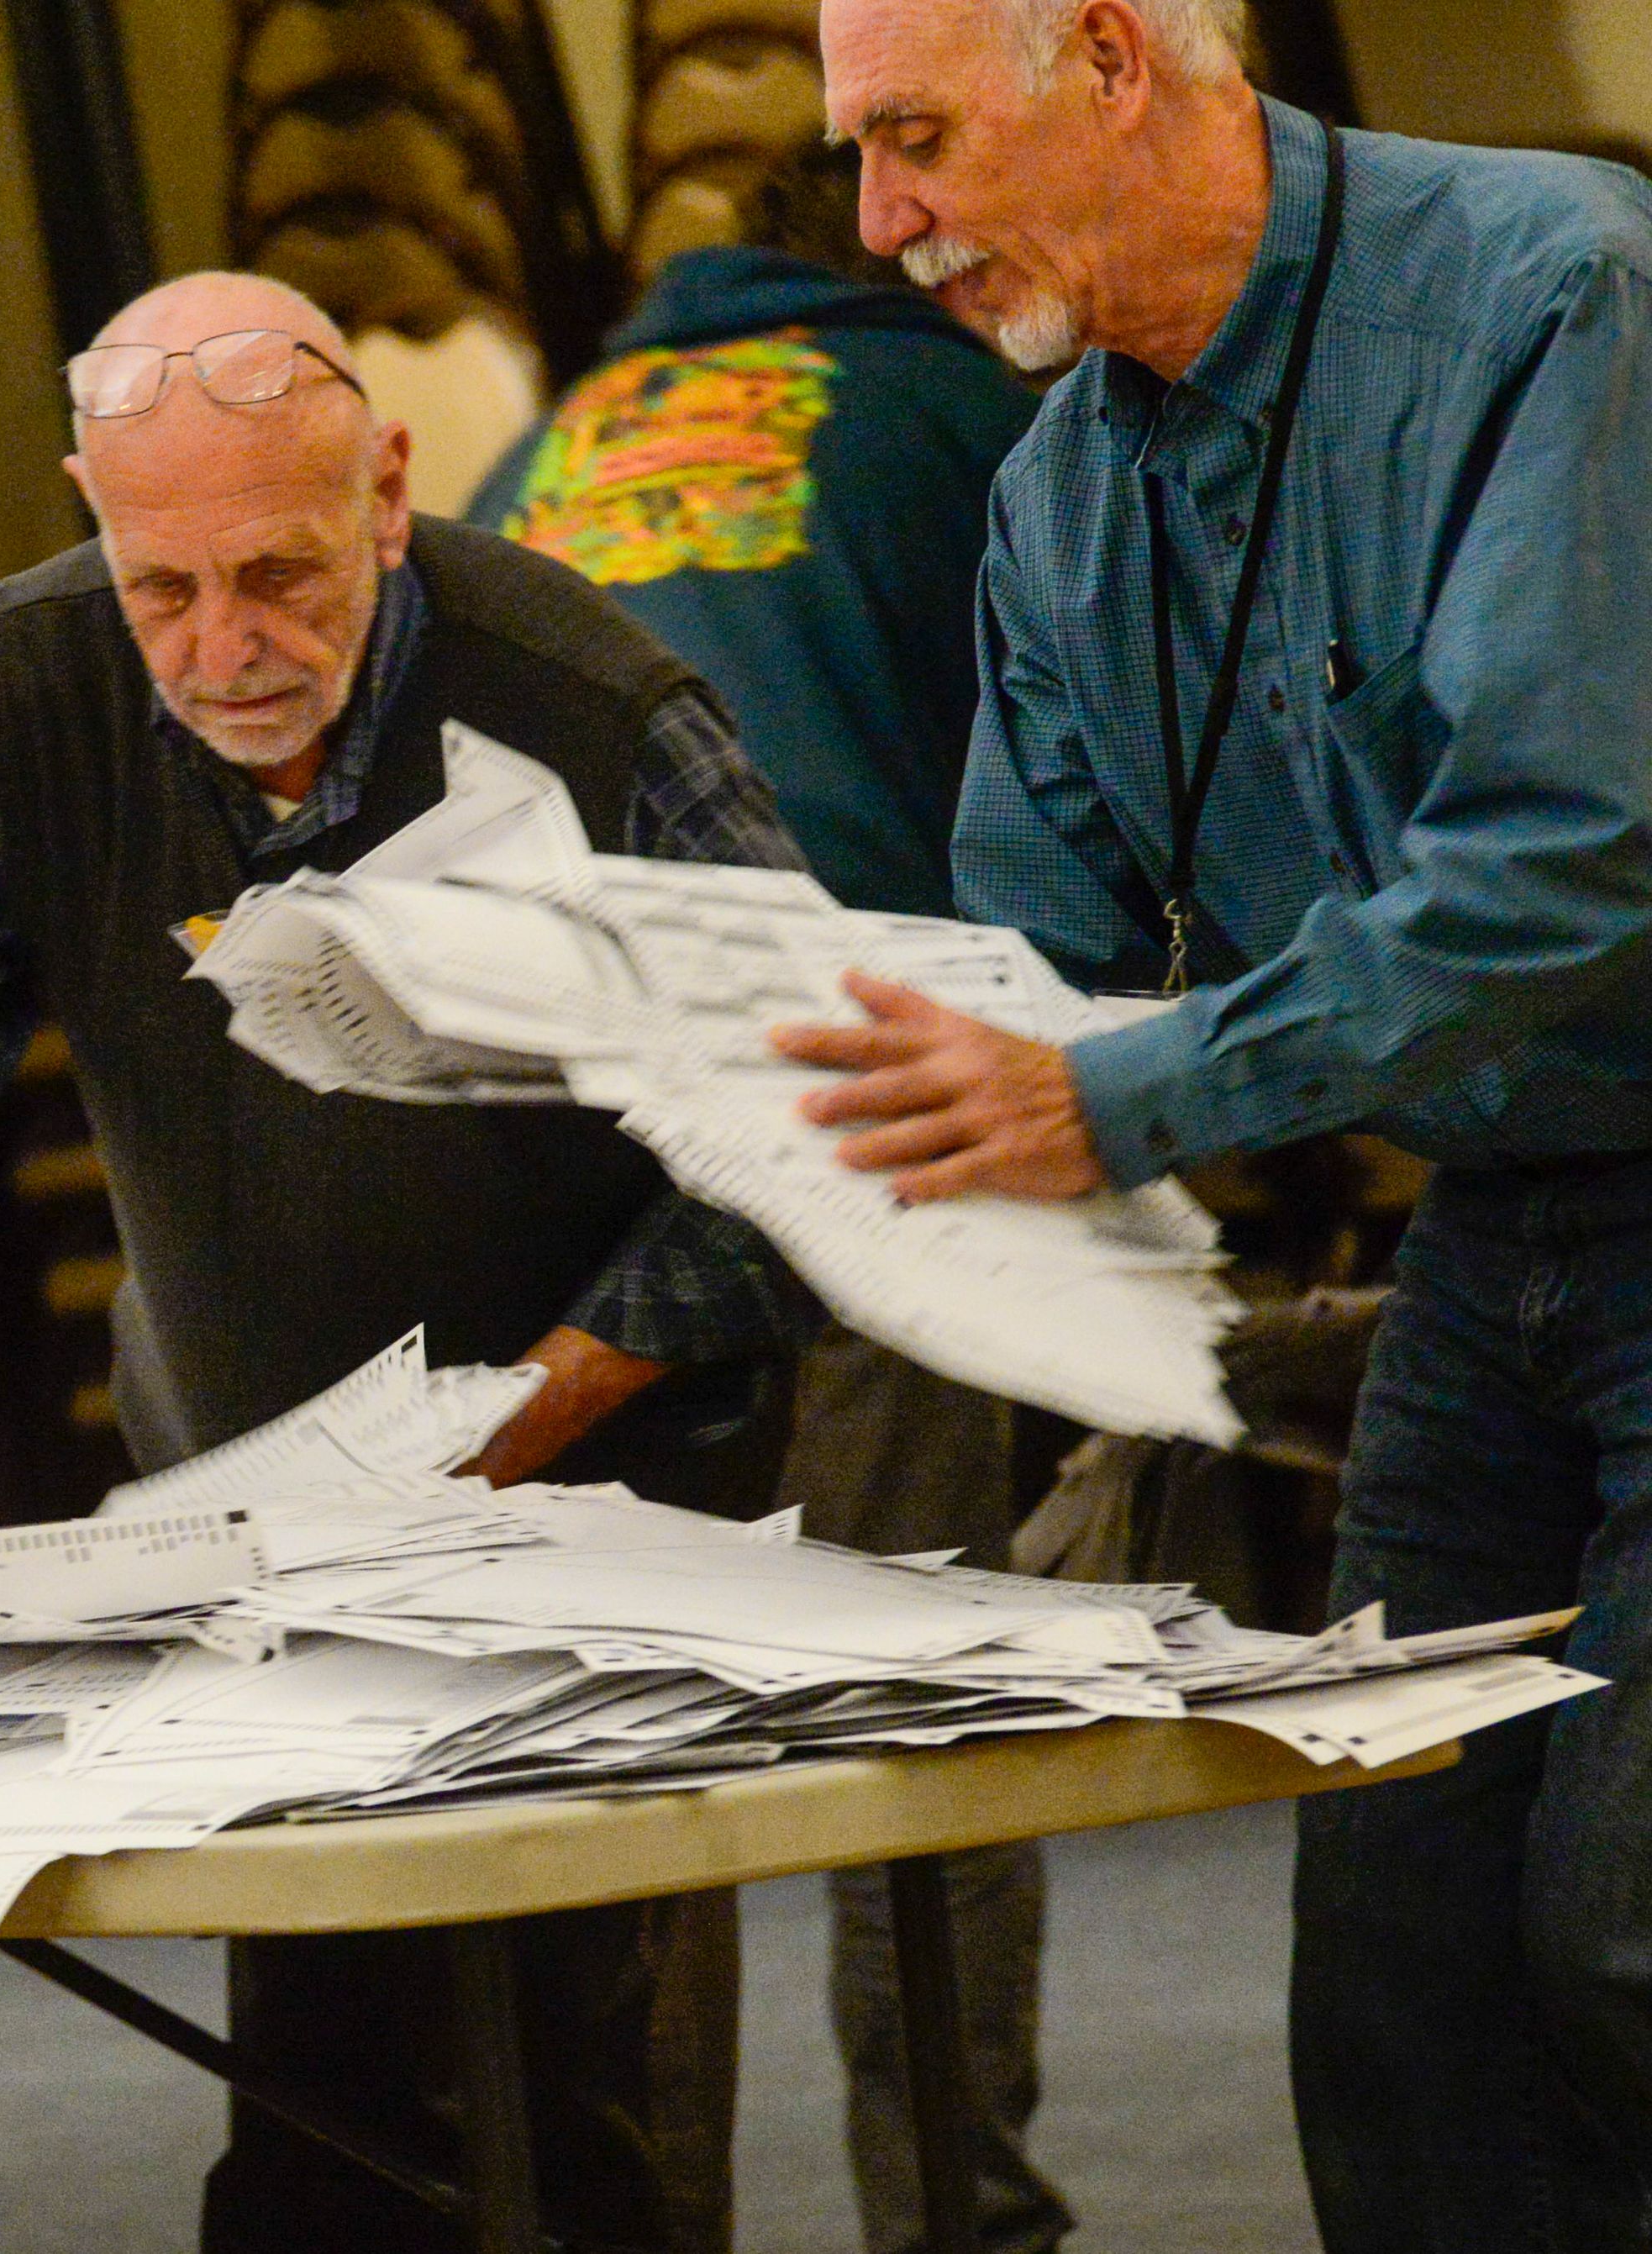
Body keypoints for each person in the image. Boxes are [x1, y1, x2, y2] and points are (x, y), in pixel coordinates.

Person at [0, 269, 818, 2252]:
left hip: (607, 1508)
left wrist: (551, 1397)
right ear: (90, 512)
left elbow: (807, 1139)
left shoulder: (591, 711)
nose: (226, 648)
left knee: (579, 2117)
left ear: (389, 493)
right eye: (164, 587)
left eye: (282, 575)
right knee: (326, 2130)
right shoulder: (23, 694)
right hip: (256, 1520)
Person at [784, 3, 1652, 2248]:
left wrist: (1113, 1096)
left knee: (1625, 1937)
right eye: (857, 156)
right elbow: (1030, 950)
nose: (880, 225)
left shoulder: (1554, 292)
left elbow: (1564, 856)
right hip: (1494, 1234)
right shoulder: (1061, 496)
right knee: (1394, 1991)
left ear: (1110, 57)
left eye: (913, 140)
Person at [469, 139, 1067, 2254]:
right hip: (852, 1073)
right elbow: (1066, 777)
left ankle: (647, 2226)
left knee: (652, 1732)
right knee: (921, 1695)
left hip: (538, 1121)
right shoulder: (977, 409)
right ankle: (958, 2218)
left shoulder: (545, 442)